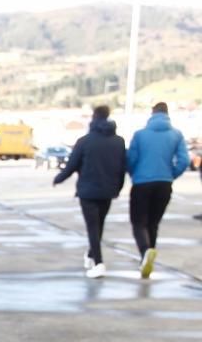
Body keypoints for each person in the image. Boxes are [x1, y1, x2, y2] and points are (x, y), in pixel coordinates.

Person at [52, 105, 126, 278]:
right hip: (108, 191)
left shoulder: (85, 141)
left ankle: (99, 263)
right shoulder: (119, 141)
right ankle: (92, 254)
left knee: (93, 227)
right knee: (99, 225)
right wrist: (118, 188)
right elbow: (122, 168)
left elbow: (72, 165)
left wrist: (58, 179)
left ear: (93, 118)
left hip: (88, 192)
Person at [126, 101, 189, 278]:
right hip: (164, 184)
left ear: (152, 114)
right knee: (153, 223)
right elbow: (184, 160)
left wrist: (134, 174)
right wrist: (171, 174)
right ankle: (148, 258)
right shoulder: (176, 135)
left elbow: (131, 159)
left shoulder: (140, 135)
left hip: (142, 183)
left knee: (139, 222)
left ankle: (145, 252)